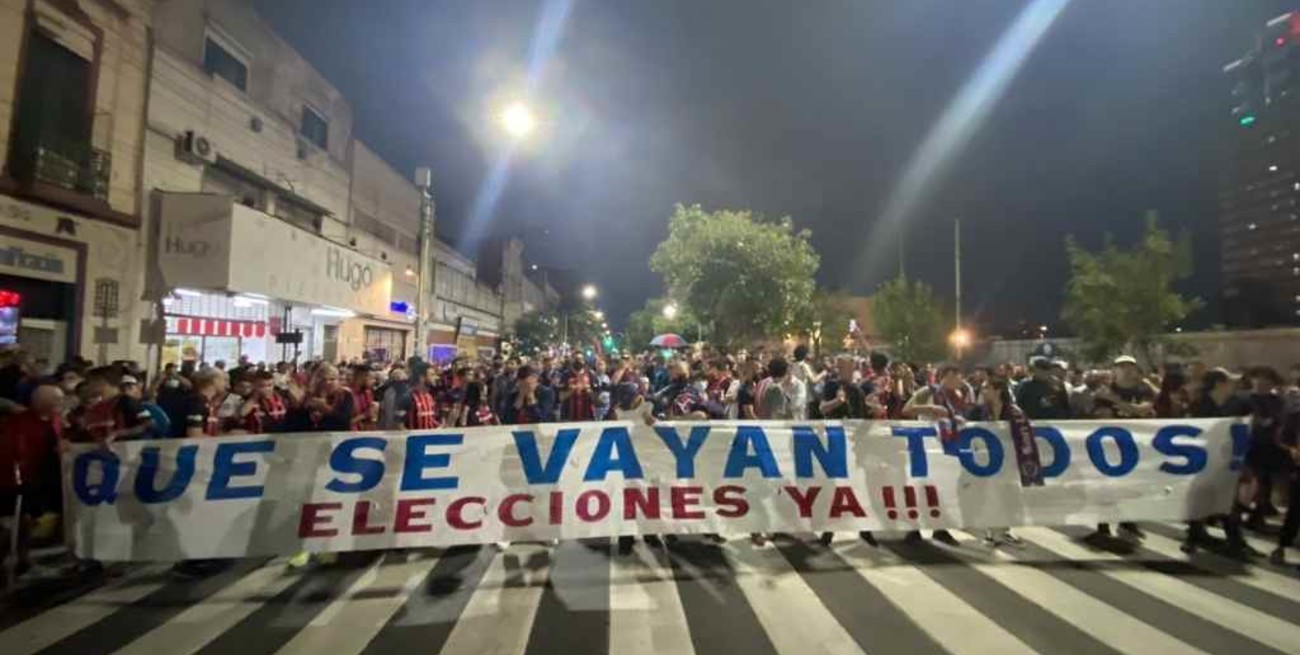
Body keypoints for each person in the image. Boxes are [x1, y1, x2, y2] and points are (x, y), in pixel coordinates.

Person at [1184, 367, 1254, 556]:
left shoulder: (1234, 404)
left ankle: (1196, 537)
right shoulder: (1200, 406)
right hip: (1204, 460)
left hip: (1223, 459)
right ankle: (1231, 540)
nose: (1234, 385)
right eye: (1229, 381)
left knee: (1222, 498)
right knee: (1217, 499)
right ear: (1218, 384)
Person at [0, 384, 63, 577]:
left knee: (27, 521)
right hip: (18, 480)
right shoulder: (19, 424)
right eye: (57, 400)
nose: (61, 403)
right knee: (13, 522)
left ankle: (24, 559)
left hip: (40, 478)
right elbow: (13, 451)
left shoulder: (55, 420)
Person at [817, 354, 877, 547]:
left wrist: (873, 411)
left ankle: (865, 528)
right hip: (835, 444)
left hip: (854, 446)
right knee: (834, 489)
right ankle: (828, 530)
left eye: (849, 367)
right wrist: (837, 401)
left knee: (858, 487)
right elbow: (823, 409)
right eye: (841, 367)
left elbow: (861, 418)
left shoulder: (857, 391)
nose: (846, 371)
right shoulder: (831, 386)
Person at [965, 376, 1026, 546]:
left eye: (986, 388)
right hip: (986, 461)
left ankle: (1005, 530)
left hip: (1008, 460)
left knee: (1008, 495)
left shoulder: (1014, 412)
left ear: (998, 390)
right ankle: (990, 532)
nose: (983, 391)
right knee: (990, 495)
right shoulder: (978, 411)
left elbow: (1022, 435)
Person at [398, 364, 441, 430]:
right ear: (422, 378)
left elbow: (431, 420)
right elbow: (399, 426)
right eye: (432, 375)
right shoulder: (407, 398)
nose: (436, 377)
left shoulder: (430, 397)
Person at [348, 366, 379, 431]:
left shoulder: (368, 392)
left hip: (365, 432)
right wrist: (364, 415)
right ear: (361, 377)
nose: (374, 381)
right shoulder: (347, 394)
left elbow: (371, 415)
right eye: (371, 378)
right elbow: (345, 423)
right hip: (350, 434)